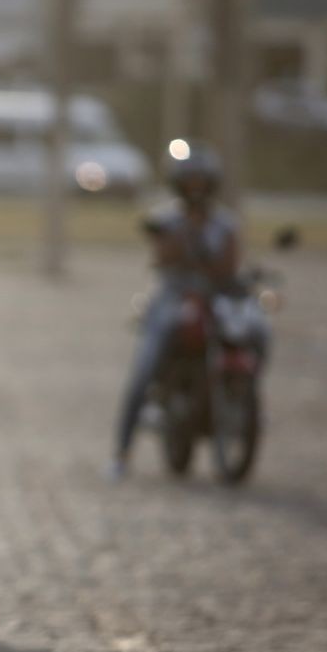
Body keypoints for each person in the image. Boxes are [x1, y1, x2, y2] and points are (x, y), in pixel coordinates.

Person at [109, 143, 241, 479]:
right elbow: (162, 257)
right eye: (189, 182)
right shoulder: (166, 217)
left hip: (214, 297)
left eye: (201, 182)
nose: (195, 189)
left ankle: (236, 400)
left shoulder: (224, 222)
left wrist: (197, 258)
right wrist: (185, 246)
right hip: (173, 294)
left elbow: (229, 265)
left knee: (247, 331)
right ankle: (122, 452)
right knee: (144, 368)